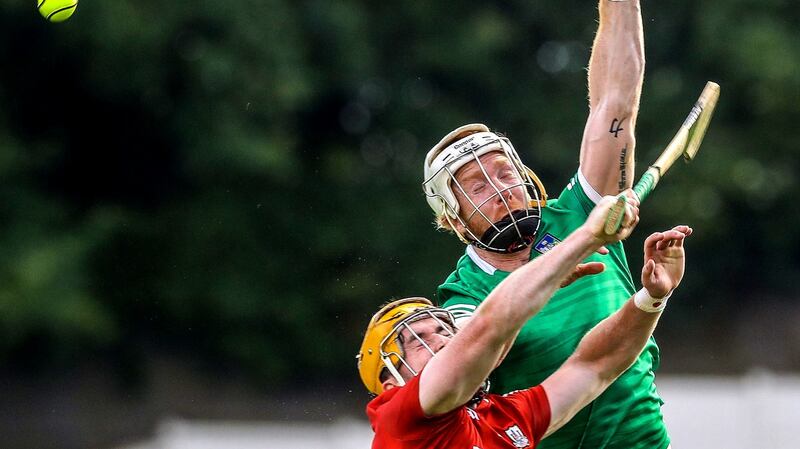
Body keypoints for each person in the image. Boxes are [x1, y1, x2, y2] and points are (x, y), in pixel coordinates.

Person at [421, 1, 659, 448]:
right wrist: (556, 270)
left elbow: (617, 103)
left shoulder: (581, 210)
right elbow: (476, 364)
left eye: (503, 170)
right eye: (476, 184)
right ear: (452, 219)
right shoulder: (462, 294)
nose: (499, 187)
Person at [357, 196, 692, 449]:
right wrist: (588, 236)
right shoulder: (401, 419)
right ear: (391, 386)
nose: (444, 340)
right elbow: (490, 327)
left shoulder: (501, 419)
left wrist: (651, 298)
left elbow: (596, 365)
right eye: (420, 340)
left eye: (444, 330)